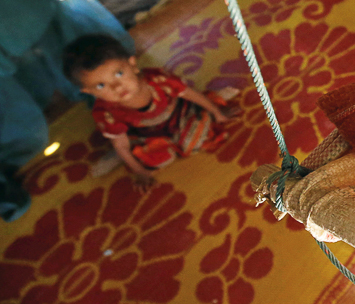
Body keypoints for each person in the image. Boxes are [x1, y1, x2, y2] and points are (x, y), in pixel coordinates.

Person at [63, 33, 235, 191]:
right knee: (157, 158)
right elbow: (120, 144)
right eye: (101, 85)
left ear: (132, 64)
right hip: (148, 134)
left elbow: (189, 94)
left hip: (179, 115)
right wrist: (139, 171)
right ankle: (122, 156)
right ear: (89, 92)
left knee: (196, 138)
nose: (117, 87)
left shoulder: (158, 80)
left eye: (119, 73)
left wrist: (216, 111)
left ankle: (204, 114)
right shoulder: (106, 112)